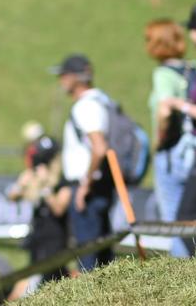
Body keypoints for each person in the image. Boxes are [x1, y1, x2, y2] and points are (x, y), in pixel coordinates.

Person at [51, 54, 114, 271]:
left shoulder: (86, 106)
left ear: (74, 78)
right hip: (99, 184)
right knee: (103, 253)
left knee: (89, 257)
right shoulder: (103, 102)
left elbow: (99, 147)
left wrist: (84, 185)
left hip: (88, 189)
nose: (60, 81)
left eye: (63, 75)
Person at [145, 19, 196, 258]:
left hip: (172, 150)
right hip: (193, 150)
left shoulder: (163, 74)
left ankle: (182, 272)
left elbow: (164, 109)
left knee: (175, 221)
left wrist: (160, 140)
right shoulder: (193, 69)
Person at [6, 134, 72, 282]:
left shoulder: (62, 183)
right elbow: (12, 197)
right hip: (38, 238)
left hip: (55, 241)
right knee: (35, 279)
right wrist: (21, 185)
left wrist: (45, 187)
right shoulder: (35, 177)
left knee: (56, 278)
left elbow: (59, 209)